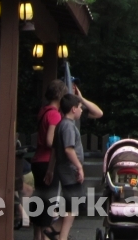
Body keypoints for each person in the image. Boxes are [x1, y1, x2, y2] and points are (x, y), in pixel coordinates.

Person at [32, 79, 68, 240]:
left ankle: (37, 237)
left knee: (39, 202)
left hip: (37, 160)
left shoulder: (43, 111)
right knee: (48, 204)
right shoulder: (54, 114)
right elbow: (49, 140)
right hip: (48, 163)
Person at [51, 95, 85, 240]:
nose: (81, 111)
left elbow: (54, 150)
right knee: (74, 206)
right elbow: (68, 149)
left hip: (64, 170)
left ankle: (52, 229)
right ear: (73, 109)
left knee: (70, 204)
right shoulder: (68, 126)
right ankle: (62, 237)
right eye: (80, 107)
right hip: (69, 171)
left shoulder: (60, 124)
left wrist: (49, 170)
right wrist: (79, 167)